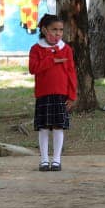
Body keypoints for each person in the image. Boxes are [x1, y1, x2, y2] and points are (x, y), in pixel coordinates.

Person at [28, 14, 77, 172]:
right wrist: (51, 59)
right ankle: (43, 160)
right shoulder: (36, 49)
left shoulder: (66, 49)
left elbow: (71, 73)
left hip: (61, 94)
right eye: (54, 29)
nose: (58, 33)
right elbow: (33, 68)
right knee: (43, 128)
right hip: (43, 94)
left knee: (58, 127)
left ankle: (56, 160)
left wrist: (72, 95)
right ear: (44, 30)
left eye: (61, 30)